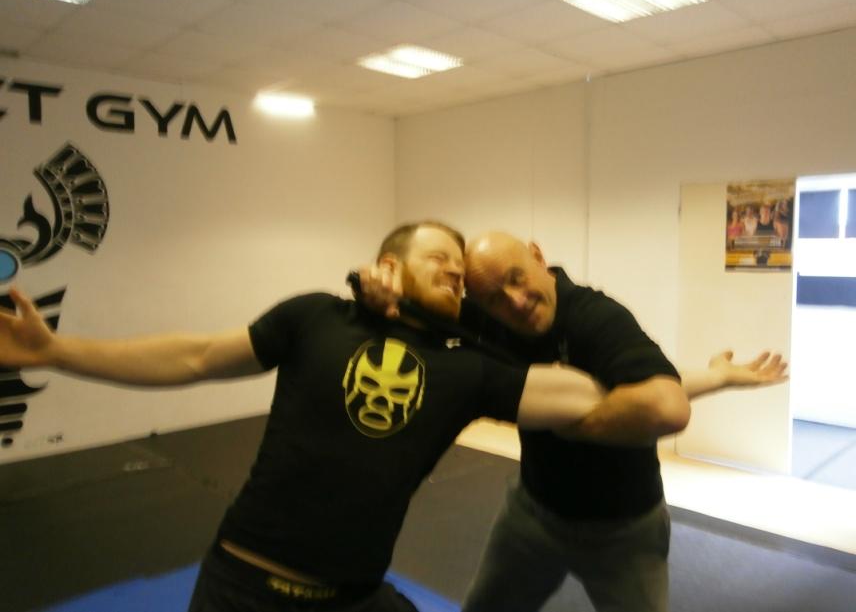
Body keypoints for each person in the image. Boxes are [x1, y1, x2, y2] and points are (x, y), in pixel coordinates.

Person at [0, 220, 661, 612]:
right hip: (244, 587)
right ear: (388, 265)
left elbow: (581, 392)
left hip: (352, 596)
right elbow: (194, 356)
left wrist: (670, 386)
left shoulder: (470, 370)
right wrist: (57, 350)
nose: (456, 275)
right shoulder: (317, 316)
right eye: (441, 260)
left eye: (462, 273)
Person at [458, 231, 787, 612]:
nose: (515, 301)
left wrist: (566, 422)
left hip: (625, 531)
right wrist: (717, 376)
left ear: (537, 256)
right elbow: (631, 389)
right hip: (532, 513)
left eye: (517, 277)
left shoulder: (594, 316)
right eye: (494, 298)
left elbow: (665, 407)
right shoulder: (487, 324)